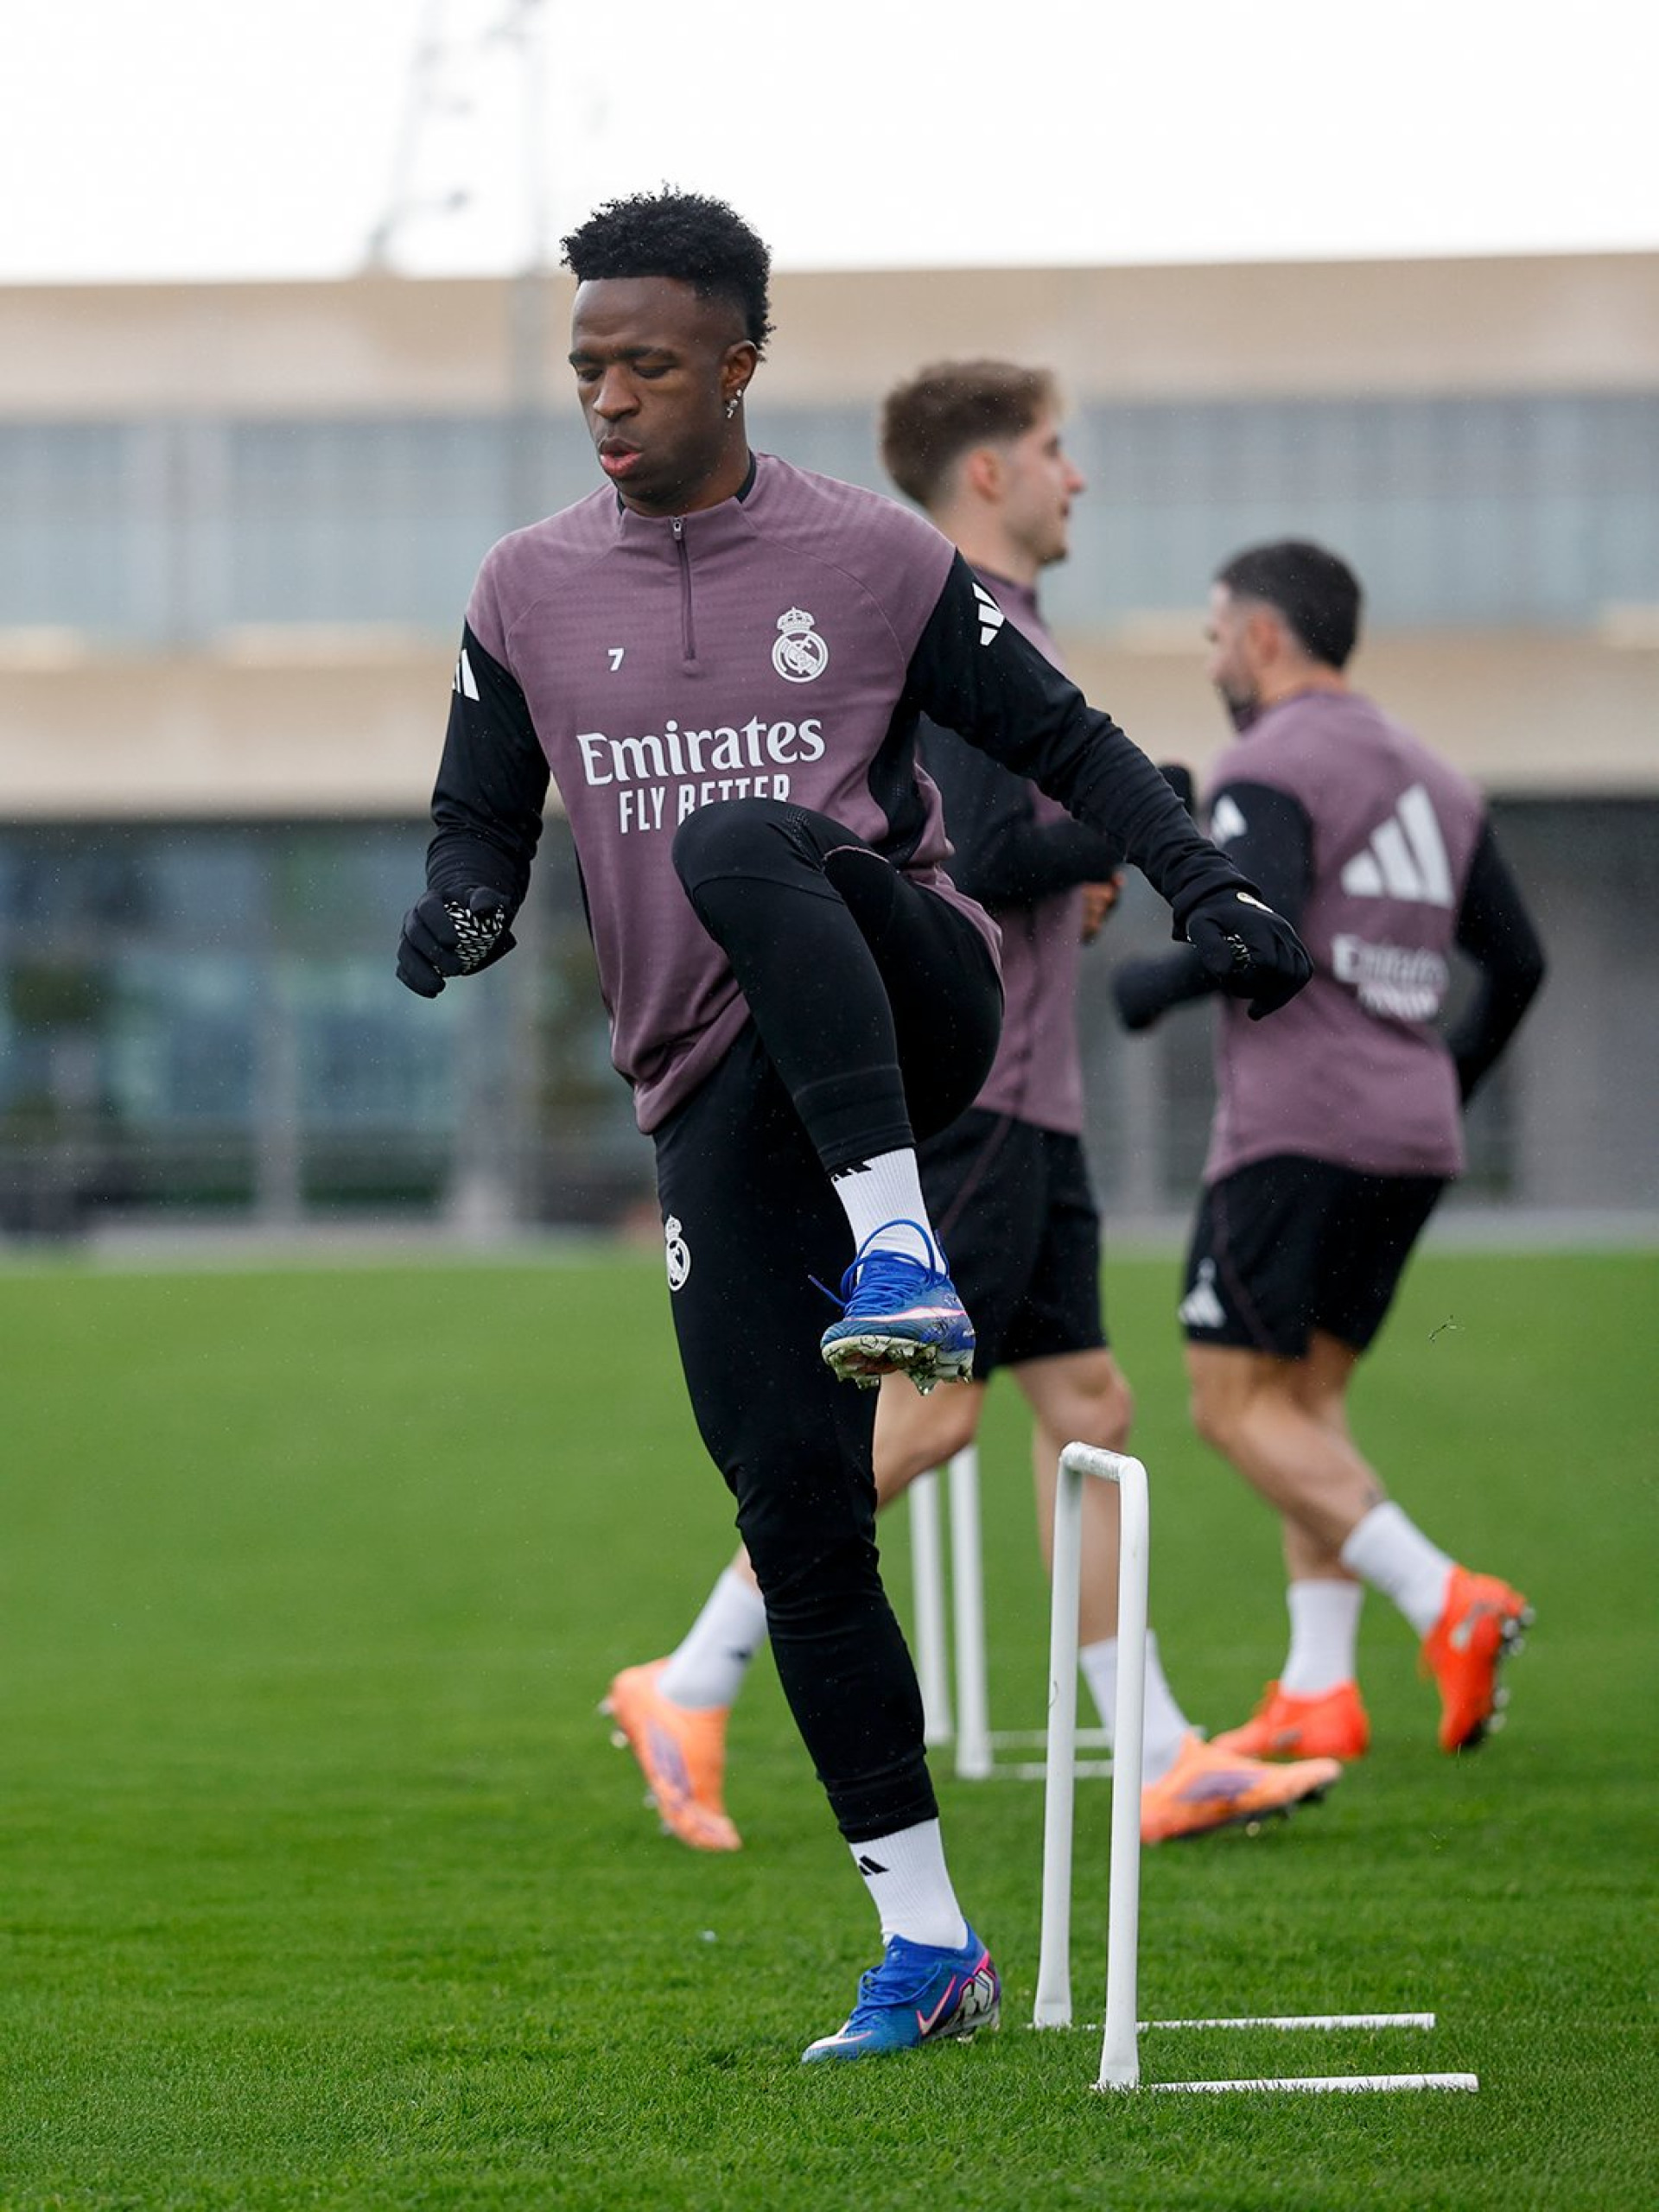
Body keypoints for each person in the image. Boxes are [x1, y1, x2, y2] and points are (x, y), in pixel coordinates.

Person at [395, 191, 1311, 2065]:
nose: (610, 396)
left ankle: (900, 1233)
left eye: (647, 361)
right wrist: (464, 907)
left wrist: (1207, 883)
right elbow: (483, 808)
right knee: (796, 1510)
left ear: (739, 360)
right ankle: (929, 1942)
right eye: (587, 366)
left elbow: (1072, 743)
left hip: (919, 997)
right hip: (707, 1099)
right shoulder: (522, 587)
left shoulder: (875, 556)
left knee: (743, 838)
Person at [605, 360, 1340, 1859]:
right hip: (977, 1090)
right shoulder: (935, 617)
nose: (1082, 478)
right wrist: (1130, 822)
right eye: (1059, 452)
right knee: (925, 1426)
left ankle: (1154, 1750)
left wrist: (1121, 844)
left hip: (1043, 1094)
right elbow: (978, 847)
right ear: (989, 476)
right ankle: (689, 1677)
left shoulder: (1023, 625)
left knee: (1090, 1410)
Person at [1111, 539, 1546, 1764]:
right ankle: (1317, 1688)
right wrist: (1434, 1080)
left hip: (1300, 1123)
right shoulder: (1438, 777)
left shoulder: (1269, 760)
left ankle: (1443, 1600)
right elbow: (1521, 964)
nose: (1210, 662)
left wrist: (1147, 983)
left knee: (1229, 1407)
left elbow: (1263, 931)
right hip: (1409, 1131)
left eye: (1211, 637)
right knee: (1306, 1405)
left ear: (1260, 636)